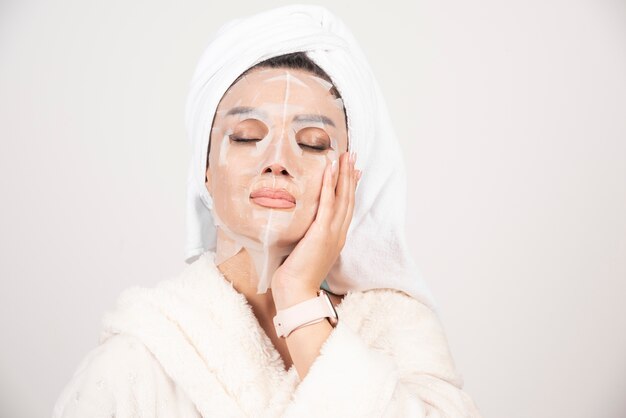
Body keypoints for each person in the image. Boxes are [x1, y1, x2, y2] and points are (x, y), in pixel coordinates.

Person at [53, 5, 483, 417]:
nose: (277, 158)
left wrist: (297, 297)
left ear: (351, 177)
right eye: (244, 136)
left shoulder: (399, 331)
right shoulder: (136, 362)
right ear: (204, 171)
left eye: (313, 142)